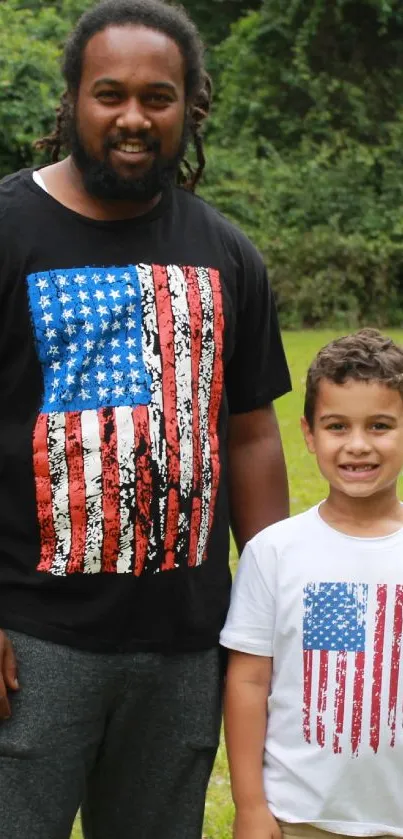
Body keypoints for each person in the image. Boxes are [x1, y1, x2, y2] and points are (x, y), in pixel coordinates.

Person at [0, 1, 291, 838]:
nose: (133, 117)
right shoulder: (8, 230)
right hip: (32, 641)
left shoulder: (227, 253)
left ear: (190, 106)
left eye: (157, 97)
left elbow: (249, 432)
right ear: (73, 101)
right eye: (109, 94)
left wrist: (274, 607)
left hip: (184, 645)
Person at [220, 328, 403, 839]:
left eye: (381, 425)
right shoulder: (275, 553)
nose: (358, 445)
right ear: (308, 434)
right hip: (299, 816)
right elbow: (249, 683)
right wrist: (251, 806)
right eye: (337, 426)